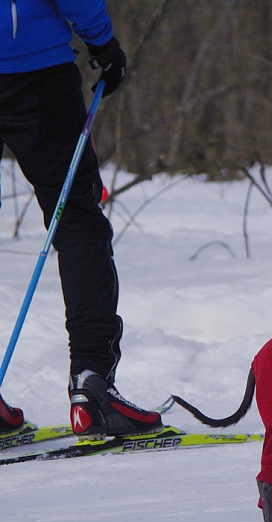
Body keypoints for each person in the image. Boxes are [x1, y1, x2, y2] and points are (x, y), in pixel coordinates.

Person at [0, 1, 162, 437]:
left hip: (31, 66)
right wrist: (102, 41)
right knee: (77, 225)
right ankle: (92, 389)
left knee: (75, 223)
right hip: (30, 70)